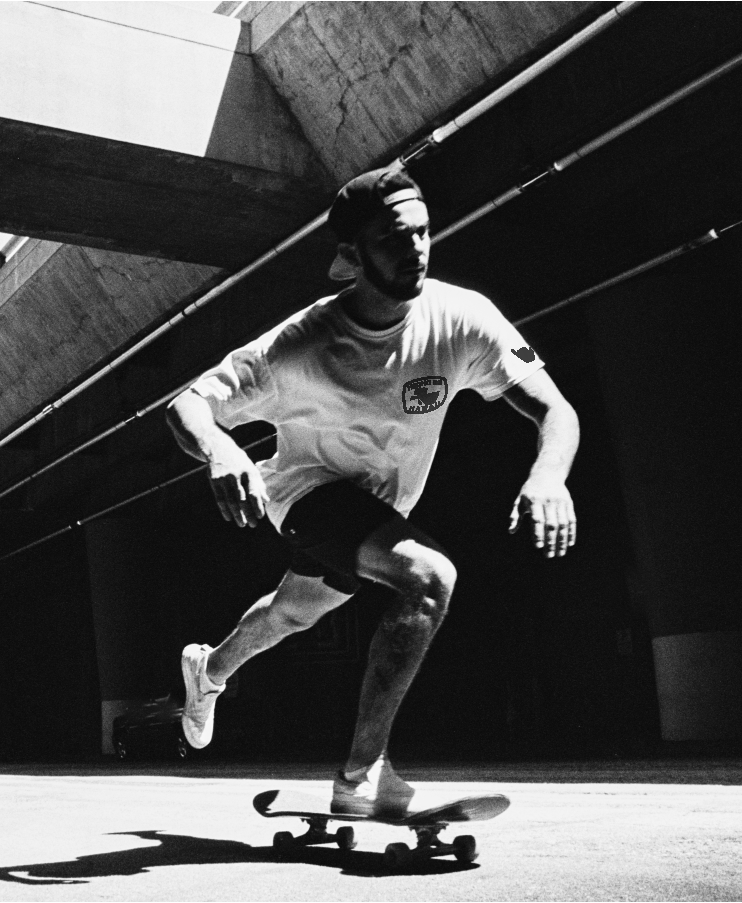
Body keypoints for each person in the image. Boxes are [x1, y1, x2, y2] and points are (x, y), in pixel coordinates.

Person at [165, 166, 580, 816]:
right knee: (428, 576)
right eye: (393, 239)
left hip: (381, 509)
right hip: (306, 494)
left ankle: (209, 670)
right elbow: (188, 403)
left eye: (421, 234)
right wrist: (220, 449)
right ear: (347, 259)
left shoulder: (461, 319)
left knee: (292, 612)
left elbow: (554, 409)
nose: (414, 250)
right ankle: (362, 774)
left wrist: (548, 472)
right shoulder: (302, 344)